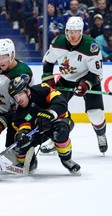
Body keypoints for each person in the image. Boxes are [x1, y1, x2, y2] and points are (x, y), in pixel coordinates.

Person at [40, 16, 108, 154]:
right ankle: (56, 138)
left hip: (87, 80)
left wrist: (85, 85)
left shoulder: (91, 46)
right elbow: (48, 61)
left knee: (95, 114)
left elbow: (97, 74)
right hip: (66, 80)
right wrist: (48, 79)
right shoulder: (57, 42)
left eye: (76, 32)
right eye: (70, 32)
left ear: (81, 32)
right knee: (54, 110)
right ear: (66, 31)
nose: (73, 35)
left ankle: (101, 134)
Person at [6, 77, 81, 175]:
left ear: (28, 91)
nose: (18, 99)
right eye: (15, 96)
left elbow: (60, 100)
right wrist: (22, 135)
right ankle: (31, 162)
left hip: (57, 122)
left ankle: (66, 159)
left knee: (60, 131)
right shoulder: (17, 112)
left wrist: (49, 114)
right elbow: (23, 127)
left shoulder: (41, 89)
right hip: (38, 132)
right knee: (20, 145)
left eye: (20, 94)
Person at [0, 38, 33, 147]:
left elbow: (20, 104)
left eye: (4, 57)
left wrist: (2, 121)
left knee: (14, 150)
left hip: (18, 112)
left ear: (12, 54)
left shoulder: (22, 73)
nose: (0, 61)